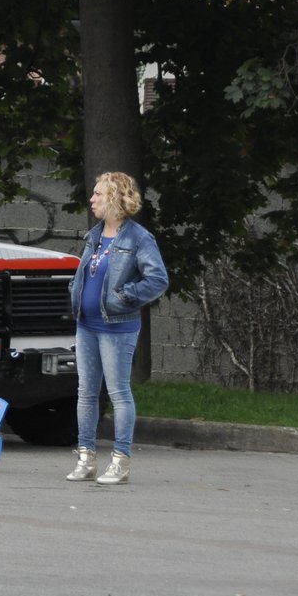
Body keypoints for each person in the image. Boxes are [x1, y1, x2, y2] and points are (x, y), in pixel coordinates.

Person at [65, 171, 170, 485]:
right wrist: (76, 289)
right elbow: (89, 273)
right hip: (86, 325)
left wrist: (127, 296)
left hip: (117, 328)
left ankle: (121, 462)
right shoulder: (94, 235)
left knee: (119, 393)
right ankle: (86, 459)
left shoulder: (138, 238)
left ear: (112, 198)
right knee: (86, 392)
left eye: (98, 194)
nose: (92, 199)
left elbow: (158, 279)